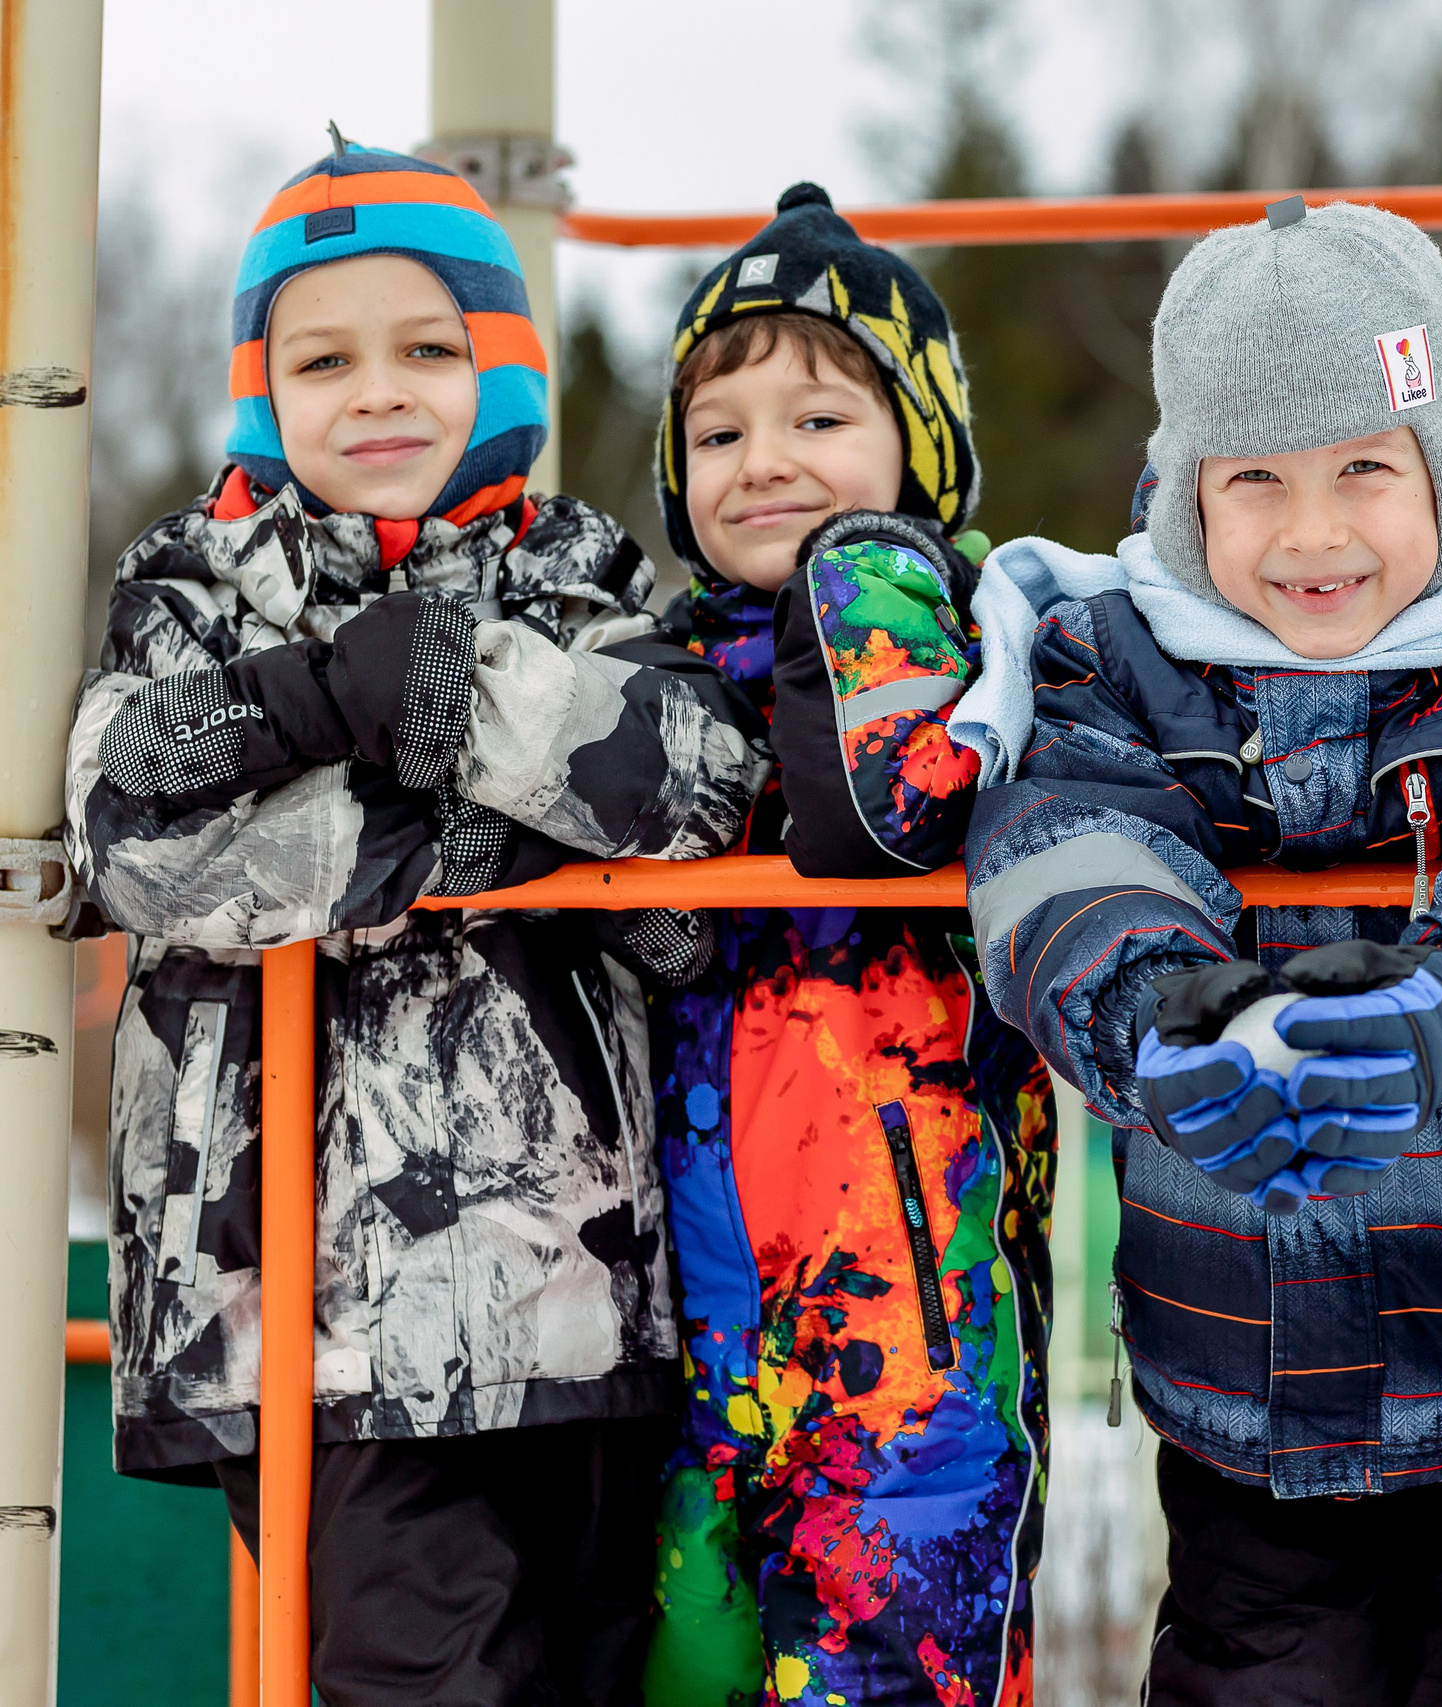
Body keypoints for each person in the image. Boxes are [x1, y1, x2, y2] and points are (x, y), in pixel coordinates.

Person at [956, 197, 1442, 1705]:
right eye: (1256, 484)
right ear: (1190, 498)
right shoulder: (1120, 663)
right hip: (1237, 1378)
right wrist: (1159, 1016)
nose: (1313, 537)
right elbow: (1063, 848)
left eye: (1364, 473)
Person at [62, 142, 768, 1704]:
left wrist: (451, 683)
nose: (378, 392)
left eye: (428, 348)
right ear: (264, 390)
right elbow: (139, 834)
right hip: (322, 1317)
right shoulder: (197, 588)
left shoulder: (574, 571)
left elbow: (696, 778)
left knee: (595, 1668)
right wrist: (342, 713)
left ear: (499, 365)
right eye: (324, 359)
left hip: (577, 1293)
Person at [635, 183, 1053, 1707]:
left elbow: (892, 806)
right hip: (690, 1335)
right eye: (722, 434)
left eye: (819, 420)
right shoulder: (653, 676)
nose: (765, 465)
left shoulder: (965, 648)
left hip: (907, 1347)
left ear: (915, 455)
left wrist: (859, 580)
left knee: (888, 1679)